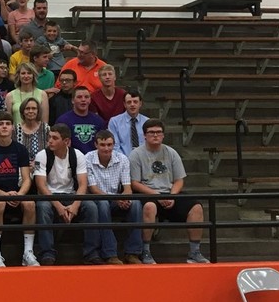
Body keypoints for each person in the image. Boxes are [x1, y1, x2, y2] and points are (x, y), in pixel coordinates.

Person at [129, 119, 209, 265]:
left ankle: (194, 252)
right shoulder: (136, 154)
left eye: (158, 132)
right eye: (151, 132)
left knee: (196, 207)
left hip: (170, 192)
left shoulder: (171, 152)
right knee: (149, 207)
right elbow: (135, 183)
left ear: (163, 135)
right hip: (148, 193)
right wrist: (156, 196)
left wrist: (172, 195)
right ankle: (145, 251)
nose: (155, 135)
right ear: (144, 135)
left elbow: (179, 180)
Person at [33, 124, 99, 266]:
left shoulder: (78, 155)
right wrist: (59, 206)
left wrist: (75, 205)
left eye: (55, 138)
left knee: (91, 207)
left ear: (66, 142)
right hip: (49, 195)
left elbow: (82, 184)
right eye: (49, 137)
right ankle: (47, 253)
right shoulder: (41, 155)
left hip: (71, 194)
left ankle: (91, 253)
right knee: (43, 207)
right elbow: (41, 186)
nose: (50, 141)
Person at [0, 111, 38, 268]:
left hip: (16, 192)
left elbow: (26, 179)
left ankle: (28, 252)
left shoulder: (20, 149)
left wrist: (19, 195)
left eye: (7, 124)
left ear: (13, 127)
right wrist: (4, 195)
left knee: (30, 204)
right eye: (1, 124)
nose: (4, 127)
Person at [85, 129, 143, 265]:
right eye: (103, 145)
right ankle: (110, 253)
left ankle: (133, 253)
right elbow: (93, 189)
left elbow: (127, 187)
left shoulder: (122, 158)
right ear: (96, 145)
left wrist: (125, 198)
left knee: (136, 204)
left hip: (116, 199)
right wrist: (116, 198)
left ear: (113, 145)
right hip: (97, 200)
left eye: (109, 145)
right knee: (103, 203)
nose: (106, 148)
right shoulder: (87, 158)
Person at [56, 86, 106, 154]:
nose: (83, 100)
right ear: (73, 100)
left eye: (86, 97)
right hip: (71, 159)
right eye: (79, 97)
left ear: (90, 100)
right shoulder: (63, 121)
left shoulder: (99, 121)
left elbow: (103, 144)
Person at [108, 89, 149, 157]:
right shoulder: (114, 122)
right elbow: (115, 146)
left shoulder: (147, 122)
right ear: (124, 104)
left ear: (140, 104)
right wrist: (125, 160)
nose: (132, 104)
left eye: (135, 102)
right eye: (129, 102)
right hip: (122, 161)